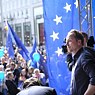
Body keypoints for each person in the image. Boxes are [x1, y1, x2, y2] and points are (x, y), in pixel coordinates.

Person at [66, 29, 95, 95]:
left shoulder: (84, 57)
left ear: (79, 42)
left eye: (69, 41)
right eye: (66, 41)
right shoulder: (77, 58)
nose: (67, 44)